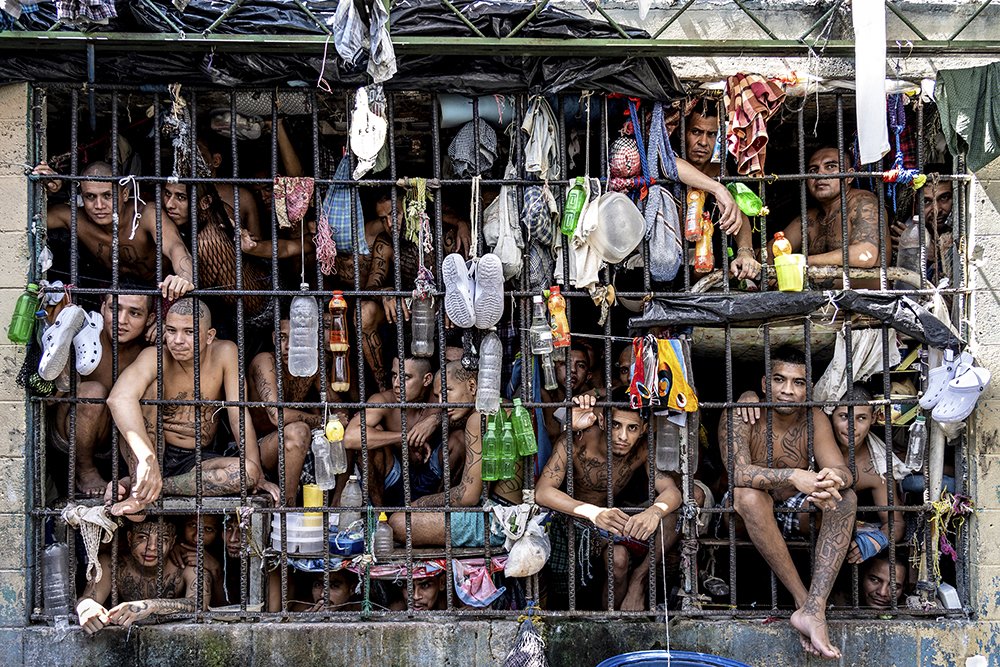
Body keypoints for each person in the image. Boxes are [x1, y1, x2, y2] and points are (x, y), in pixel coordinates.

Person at [719, 346, 856, 660]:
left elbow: (842, 470)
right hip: (739, 512)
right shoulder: (741, 414)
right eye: (780, 380)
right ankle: (802, 601)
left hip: (792, 508)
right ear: (766, 384)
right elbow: (738, 473)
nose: (787, 391)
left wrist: (831, 481)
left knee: (845, 499)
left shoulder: (814, 418)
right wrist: (795, 475)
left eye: (798, 383)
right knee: (750, 496)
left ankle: (814, 609)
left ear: (808, 388)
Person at [105, 298, 279, 517]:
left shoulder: (225, 353)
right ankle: (140, 491)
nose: (178, 340)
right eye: (171, 330)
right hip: (151, 450)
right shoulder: (154, 356)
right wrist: (147, 457)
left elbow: (238, 414)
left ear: (209, 336)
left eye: (189, 332)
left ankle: (148, 487)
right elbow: (118, 398)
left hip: (194, 462)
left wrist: (259, 475)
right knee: (150, 388)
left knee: (248, 473)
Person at [535, 388, 682, 611]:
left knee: (620, 558)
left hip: (611, 523)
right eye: (616, 425)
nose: (623, 436)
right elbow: (543, 492)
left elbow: (672, 491)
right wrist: (592, 512)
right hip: (573, 520)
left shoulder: (642, 449)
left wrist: (654, 512)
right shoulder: (578, 441)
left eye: (632, 428)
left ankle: (616, 616)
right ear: (603, 421)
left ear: (643, 429)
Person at [387, 361, 523, 546]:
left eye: (447, 391)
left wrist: (419, 504)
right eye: (438, 396)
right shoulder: (506, 407)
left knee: (398, 523)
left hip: (499, 522)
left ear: (472, 386)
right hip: (516, 514)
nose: (442, 402)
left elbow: (468, 496)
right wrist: (434, 420)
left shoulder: (478, 419)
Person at [34, 160, 194, 300]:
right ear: (81, 197)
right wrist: (50, 190)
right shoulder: (74, 218)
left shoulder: (145, 214)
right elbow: (32, 220)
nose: (99, 206)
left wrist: (184, 278)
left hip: (160, 290)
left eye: (107, 196)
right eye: (90, 197)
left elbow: (176, 247)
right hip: (113, 292)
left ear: (125, 194)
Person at [50, 292, 153, 495]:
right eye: (115, 309)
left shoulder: (149, 350)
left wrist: (166, 333)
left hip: (116, 439)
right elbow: (49, 401)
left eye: (135, 313)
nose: (121, 321)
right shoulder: (84, 336)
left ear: (149, 319)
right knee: (93, 392)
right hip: (68, 432)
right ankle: (85, 471)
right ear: (103, 308)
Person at [248, 312, 328, 505]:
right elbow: (277, 416)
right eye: (283, 338)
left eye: (297, 339)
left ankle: (335, 507)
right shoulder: (265, 362)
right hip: (257, 449)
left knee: (342, 434)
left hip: (290, 446)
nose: (289, 346)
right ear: (275, 338)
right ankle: (287, 507)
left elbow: (334, 405)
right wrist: (320, 419)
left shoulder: (311, 363)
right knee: (298, 430)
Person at [76, 520, 208, 634]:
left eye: (162, 540)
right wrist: (86, 607)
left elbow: (199, 605)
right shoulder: (111, 564)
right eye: (143, 538)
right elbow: (88, 599)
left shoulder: (189, 567)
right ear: (129, 538)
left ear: (173, 542)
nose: (151, 547)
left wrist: (150, 606)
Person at [343, 356, 443, 506]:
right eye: (394, 375)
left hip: (433, 476)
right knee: (372, 435)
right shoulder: (384, 400)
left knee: (459, 439)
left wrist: (436, 420)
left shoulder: (439, 398)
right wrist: (404, 437)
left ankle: (445, 509)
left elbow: (470, 412)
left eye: (406, 377)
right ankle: (380, 516)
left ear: (427, 379)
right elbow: (350, 438)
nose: (397, 384)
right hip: (395, 476)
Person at [781, 147, 886, 289]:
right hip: (819, 304)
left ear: (849, 176)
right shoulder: (810, 217)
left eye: (830, 167)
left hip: (867, 303)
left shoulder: (862, 201)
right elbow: (771, 251)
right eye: (813, 170)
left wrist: (803, 262)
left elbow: (865, 254)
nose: (820, 174)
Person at [682, 100, 761, 281]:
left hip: (709, 260)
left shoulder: (721, 171)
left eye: (711, 134)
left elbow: (737, 213)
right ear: (683, 132)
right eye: (696, 132)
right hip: (670, 258)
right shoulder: (672, 159)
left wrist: (745, 252)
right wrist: (717, 188)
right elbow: (675, 166)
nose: (703, 142)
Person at [830, 385, 904, 564]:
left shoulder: (877, 465)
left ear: (874, 418)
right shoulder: (815, 447)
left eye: (861, 418)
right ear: (830, 415)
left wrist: (873, 542)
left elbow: (896, 523)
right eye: (844, 416)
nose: (851, 427)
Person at [332, 191, 396, 392]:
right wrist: (386, 291)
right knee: (363, 312)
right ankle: (383, 388)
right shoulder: (384, 242)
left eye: (395, 214)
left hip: (432, 305)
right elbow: (369, 288)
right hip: (399, 307)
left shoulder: (433, 231)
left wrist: (462, 224)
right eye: (383, 219)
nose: (390, 223)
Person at [170, 514, 225, 607]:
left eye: (208, 529)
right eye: (192, 525)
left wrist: (216, 569)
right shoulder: (171, 550)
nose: (196, 537)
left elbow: (226, 608)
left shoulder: (226, 556)